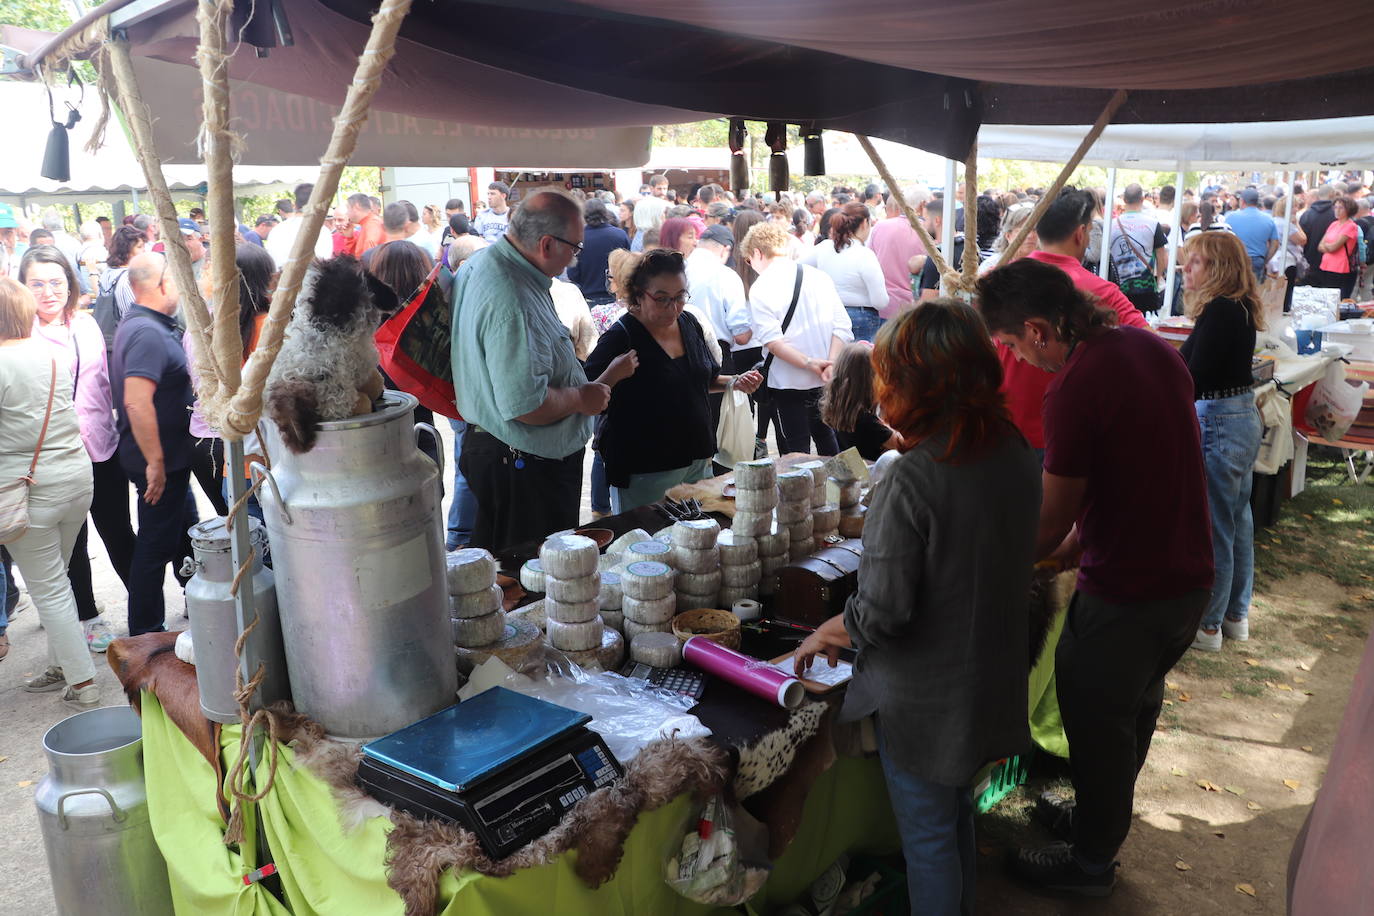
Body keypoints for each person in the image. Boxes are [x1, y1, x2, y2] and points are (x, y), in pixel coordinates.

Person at [794, 299, 1040, 915]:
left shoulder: (912, 475)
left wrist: (830, 629)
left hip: (928, 695)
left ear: (913, 383)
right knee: (953, 814)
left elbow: (883, 613)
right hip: (990, 670)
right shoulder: (1011, 444)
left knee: (928, 838)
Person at [979, 258, 1213, 897]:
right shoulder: (1146, 346)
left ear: (1038, 329)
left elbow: (1050, 522)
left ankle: (1090, 863)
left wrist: (987, 563)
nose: (1019, 362)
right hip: (1185, 579)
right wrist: (1068, 547)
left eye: (1011, 347)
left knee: (1097, 724)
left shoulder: (1076, 385)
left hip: (1129, 592)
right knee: (1132, 710)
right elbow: (1134, 476)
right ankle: (1098, 824)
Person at [450, 190, 634, 551]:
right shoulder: (512, 296)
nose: (576, 259)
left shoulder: (483, 262)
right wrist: (583, 396)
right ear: (547, 244)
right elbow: (526, 405)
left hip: (506, 456)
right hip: (523, 468)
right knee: (537, 574)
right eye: (575, 248)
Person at [585, 249, 761, 511]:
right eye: (661, 298)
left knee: (697, 539)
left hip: (697, 460)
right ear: (637, 294)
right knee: (648, 544)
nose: (673, 307)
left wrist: (734, 382)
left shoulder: (689, 323)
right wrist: (612, 374)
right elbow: (587, 398)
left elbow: (700, 381)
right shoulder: (621, 336)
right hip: (644, 469)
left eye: (680, 296)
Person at [20, 247, 131, 653]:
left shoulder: (85, 325)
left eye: (56, 282)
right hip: (53, 458)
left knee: (119, 532)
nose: (48, 292)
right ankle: (89, 617)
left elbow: (104, 386)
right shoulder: (17, 335)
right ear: (23, 287)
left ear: (70, 284)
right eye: (37, 283)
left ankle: (144, 611)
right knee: (74, 542)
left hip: (103, 448)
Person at [1, 279, 99, 707]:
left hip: (28, 490)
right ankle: (63, 666)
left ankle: (83, 684)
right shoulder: (53, 352)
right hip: (75, 478)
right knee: (56, 576)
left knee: (49, 587)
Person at [997, 189, 1150, 457]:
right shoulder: (1101, 292)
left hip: (1005, 434)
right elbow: (1151, 348)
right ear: (1081, 234)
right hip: (1069, 438)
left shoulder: (998, 283)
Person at [1175, 233, 1265, 653]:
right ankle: (1234, 616)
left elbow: (1194, 375)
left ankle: (1209, 624)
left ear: (1217, 268)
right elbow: (1187, 362)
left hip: (1220, 420)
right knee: (1236, 519)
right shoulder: (1234, 308)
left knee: (1216, 525)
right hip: (1236, 416)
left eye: (1194, 263)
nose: (1185, 270)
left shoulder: (1223, 311)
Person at [112, 252, 199, 636]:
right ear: (162, 284)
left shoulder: (148, 324)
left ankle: (197, 598)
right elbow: (135, 400)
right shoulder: (146, 331)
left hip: (171, 457)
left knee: (186, 530)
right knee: (154, 547)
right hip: (158, 460)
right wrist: (156, 462)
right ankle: (146, 633)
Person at [743, 221, 853, 456]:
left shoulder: (761, 287)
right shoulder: (818, 277)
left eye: (749, 260)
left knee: (795, 449)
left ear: (757, 253)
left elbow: (773, 342)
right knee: (827, 438)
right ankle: (837, 490)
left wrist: (810, 363)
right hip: (825, 378)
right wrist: (830, 363)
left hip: (787, 382)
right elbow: (843, 326)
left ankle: (798, 493)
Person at [800, 202, 887, 343]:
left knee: (832, 362)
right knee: (857, 363)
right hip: (860, 318)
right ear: (865, 223)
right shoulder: (865, 255)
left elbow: (797, 267)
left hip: (827, 314)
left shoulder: (824, 248)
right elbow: (880, 301)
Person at [819, 342, 900, 460]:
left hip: (856, 471)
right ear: (870, 381)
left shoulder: (840, 409)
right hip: (875, 473)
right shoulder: (867, 421)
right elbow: (902, 444)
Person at [867, 186, 930, 318]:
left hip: (883, 305)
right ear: (923, 204)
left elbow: (869, 261)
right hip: (915, 307)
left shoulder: (880, 227)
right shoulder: (927, 231)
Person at [1107, 183, 1169, 315]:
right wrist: (1158, 279)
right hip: (1146, 289)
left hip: (1117, 288)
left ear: (1124, 200)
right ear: (1142, 199)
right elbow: (1161, 255)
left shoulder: (1110, 225)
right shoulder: (1153, 223)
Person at [567, 199, 629, 305]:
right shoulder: (620, 235)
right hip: (616, 297)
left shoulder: (577, 237)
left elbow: (572, 273)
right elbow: (628, 267)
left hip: (589, 297)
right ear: (605, 213)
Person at [265, 183, 333, 268]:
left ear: (295, 205)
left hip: (281, 279)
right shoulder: (322, 232)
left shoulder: (276, 231)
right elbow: (324, 265)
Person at [1311, 195, 1361, 298]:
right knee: (1326, 296)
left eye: (1341, 208)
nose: (1337, 211)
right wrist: (1327, 247)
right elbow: (1320, 245)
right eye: (1336, 207)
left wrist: (1326, 246)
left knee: (1337, 297)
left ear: (1348, 210)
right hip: (1326, 265)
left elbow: (1334, 247)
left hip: (1340, 267)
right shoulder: (1333, 224)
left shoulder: (1351, 226)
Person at [1226, 188, 1281, 281]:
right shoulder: (1268, 219)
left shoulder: (1230, 217)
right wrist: (1265, 260)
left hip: (1235, 260)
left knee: (1234, 291)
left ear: (1242, 201)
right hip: (1257, 261)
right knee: (1255, 292)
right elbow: (1275, 244)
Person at [1298, 184, 1337, 277]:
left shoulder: (1307, 214)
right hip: (1331, 262)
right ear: (1332, 194)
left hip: (1308, 260)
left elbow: (1301, 238)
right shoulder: (1337, 215)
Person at [632, 176, 671, 251]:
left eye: (665, 188)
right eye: (659, 188)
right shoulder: (663, 204)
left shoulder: (639, 203)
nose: (662, 192)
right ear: (651, 188)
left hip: (641, 237)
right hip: (651, 239)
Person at [347, 193, 385, 258]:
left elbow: (369, 259)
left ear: (356, 206)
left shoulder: (372, 225)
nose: (346, 212)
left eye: (348, 208)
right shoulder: (366, 224)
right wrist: (350, 237)